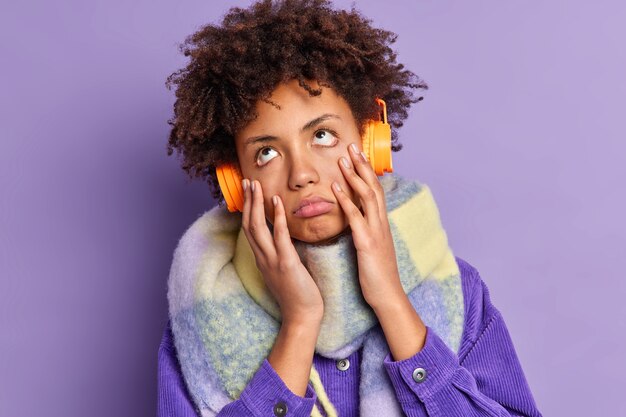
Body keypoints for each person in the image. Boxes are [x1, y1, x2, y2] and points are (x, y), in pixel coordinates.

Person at [158, 1, 543, 416]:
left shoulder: (458, 291)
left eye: (322, 135)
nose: (301, 175)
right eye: (267, 152)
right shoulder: (200, 312)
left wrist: (392, 302)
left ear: (369, 144)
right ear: (236, 183)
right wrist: (300, 322)